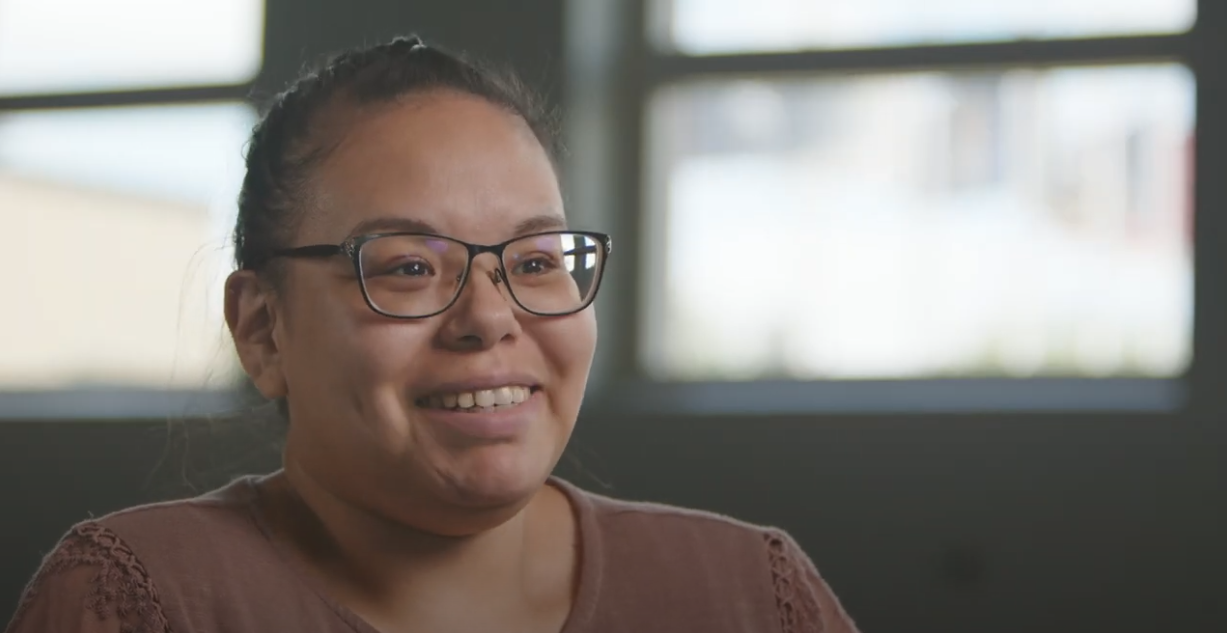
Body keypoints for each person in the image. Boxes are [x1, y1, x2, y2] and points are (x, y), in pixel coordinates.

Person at [5, 36, 859, 633]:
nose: (489, 319)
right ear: (262, 330)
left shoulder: (751, 592)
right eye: (409, 267)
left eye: (533, 261)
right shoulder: (140, 599)